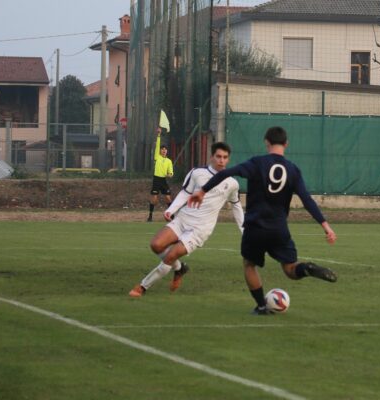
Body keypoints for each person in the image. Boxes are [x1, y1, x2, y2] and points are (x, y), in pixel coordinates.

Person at [188, 126, 338, 315]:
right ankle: (307, 269)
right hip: (279, 229)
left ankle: (261, 306)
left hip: (255, 227)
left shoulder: (257, 163)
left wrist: (202, 191)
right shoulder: (293, 169)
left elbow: (226, 173)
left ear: (266, 142)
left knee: (249, 265)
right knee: (290, 269)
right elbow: (307, 200)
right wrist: (325, 225)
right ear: (286, 144)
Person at [130, 142, 244, 297]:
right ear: (212, 157)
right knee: (156, 245)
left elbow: (236, 206)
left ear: (228, 159)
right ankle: (180, 269)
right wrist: (171, 210)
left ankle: (142, 287)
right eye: (218, 156)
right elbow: (185, 193)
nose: (221, 160)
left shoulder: (232, 183)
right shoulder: (197, 173)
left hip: (200, 230)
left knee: (170, 256)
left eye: (225, 157)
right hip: (183, 219)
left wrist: (244, 230)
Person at [147, 127, 174, 222]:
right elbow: (157, 146)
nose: (164, 150)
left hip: (163, 180)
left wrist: (170, 174)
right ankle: (150, 216)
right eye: (162, 149)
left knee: (168, 197)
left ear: (167, 151)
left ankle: (171, 215)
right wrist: (158, 135)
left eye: (165, 149)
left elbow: (171, 172)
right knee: (154, 198)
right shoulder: (157, 157)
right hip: (156, 179)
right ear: (160, 151)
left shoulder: (169, 161)